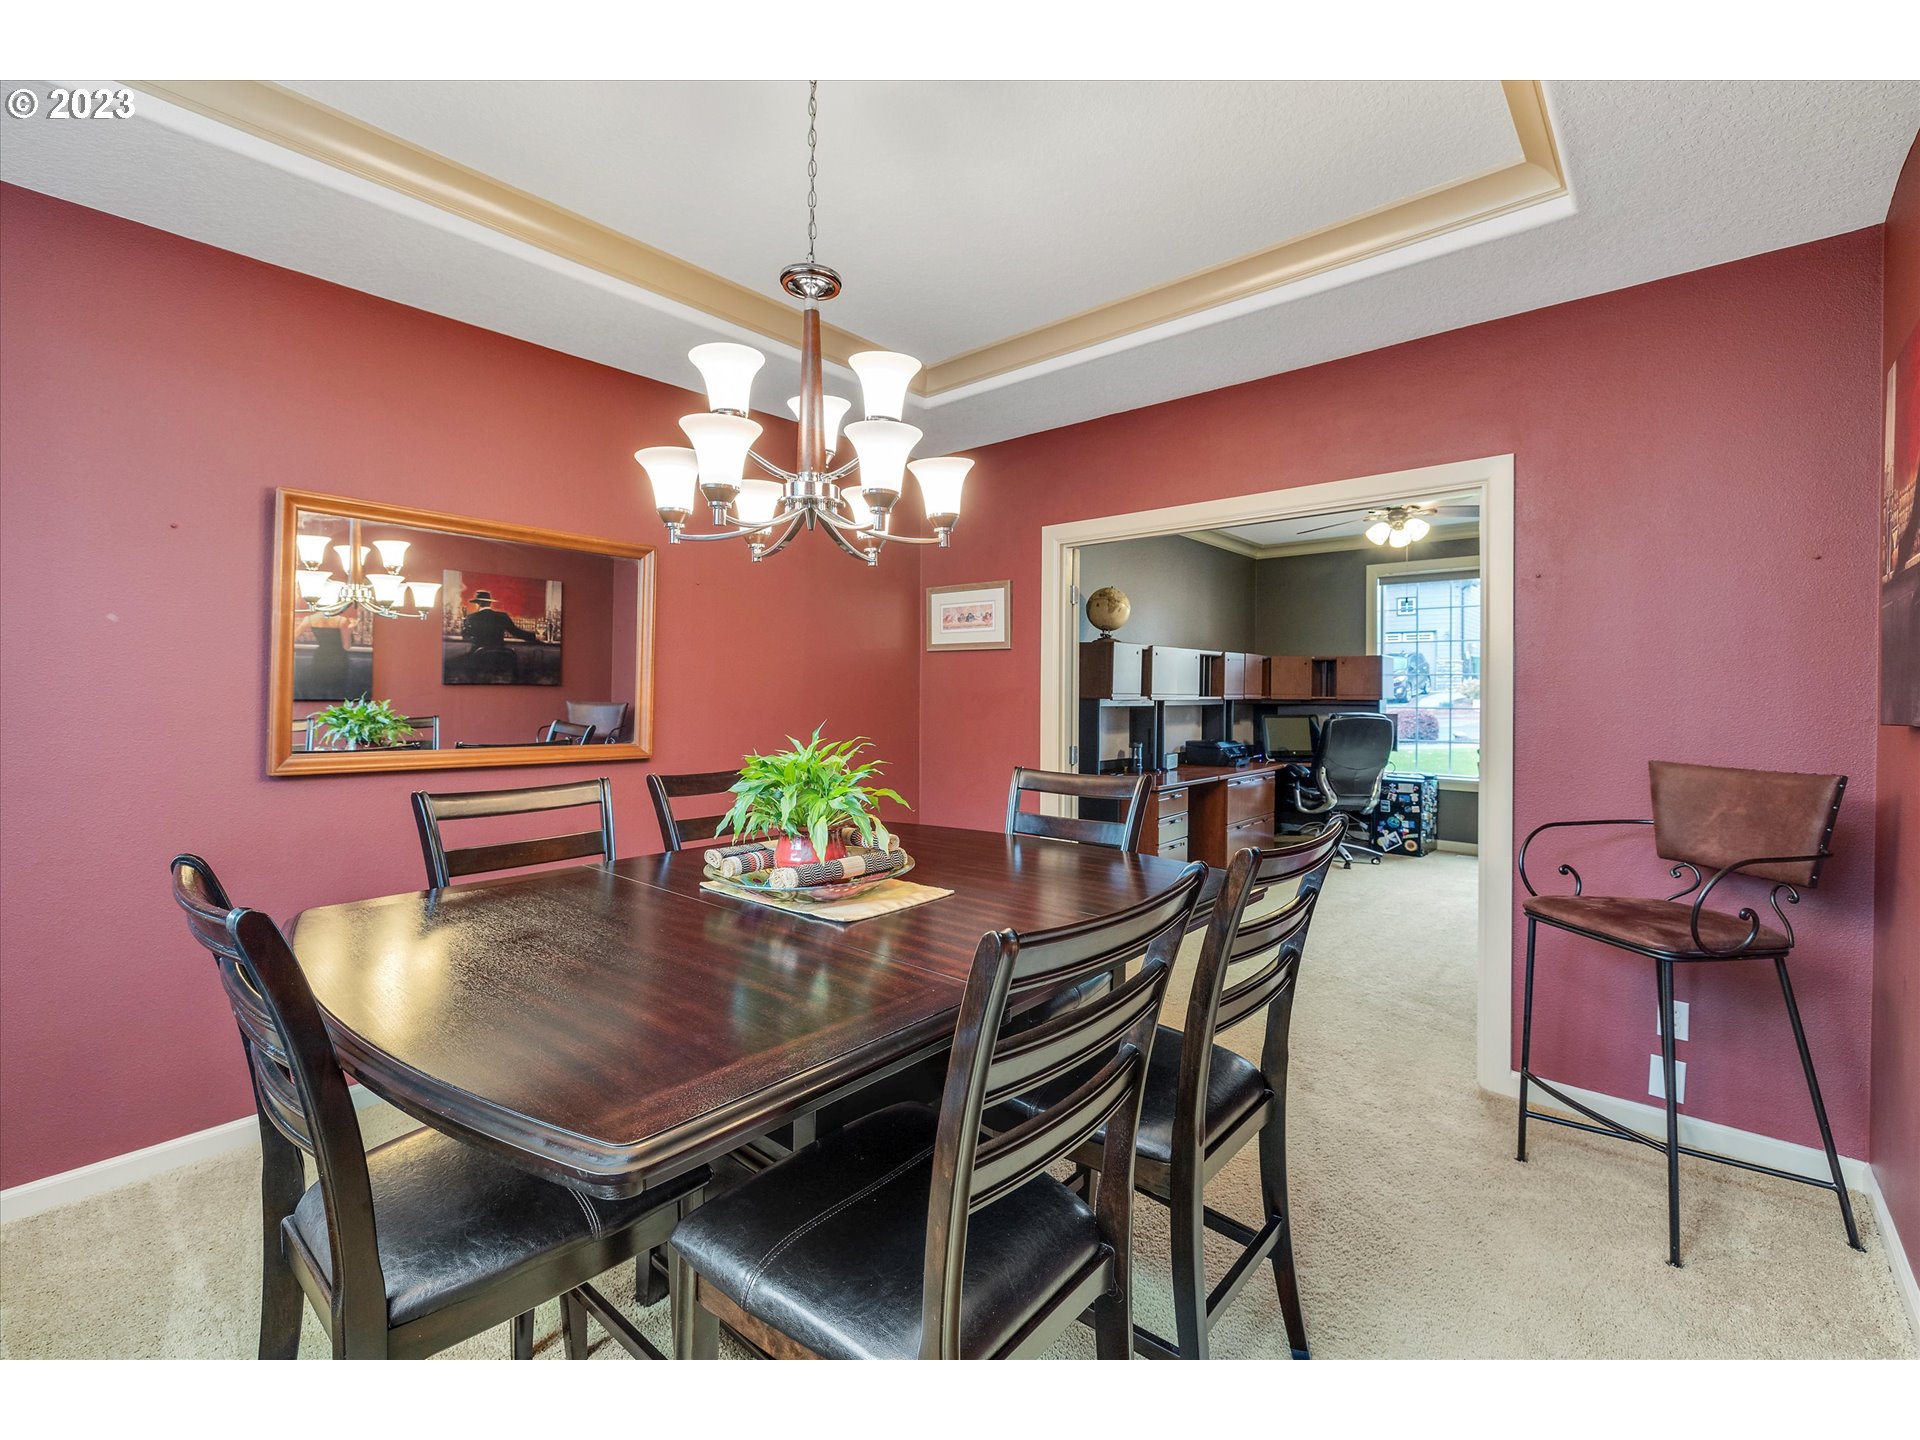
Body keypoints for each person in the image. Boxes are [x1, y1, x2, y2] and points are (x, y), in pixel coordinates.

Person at [460, 590, 538, 652]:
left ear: (478, 604)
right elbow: (516, 632)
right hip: (499, 657)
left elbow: (465, 635)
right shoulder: (502, 616)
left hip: (479, 657)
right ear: (490, 603)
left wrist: (464, 620)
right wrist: (535, 636)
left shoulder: (471, 617)